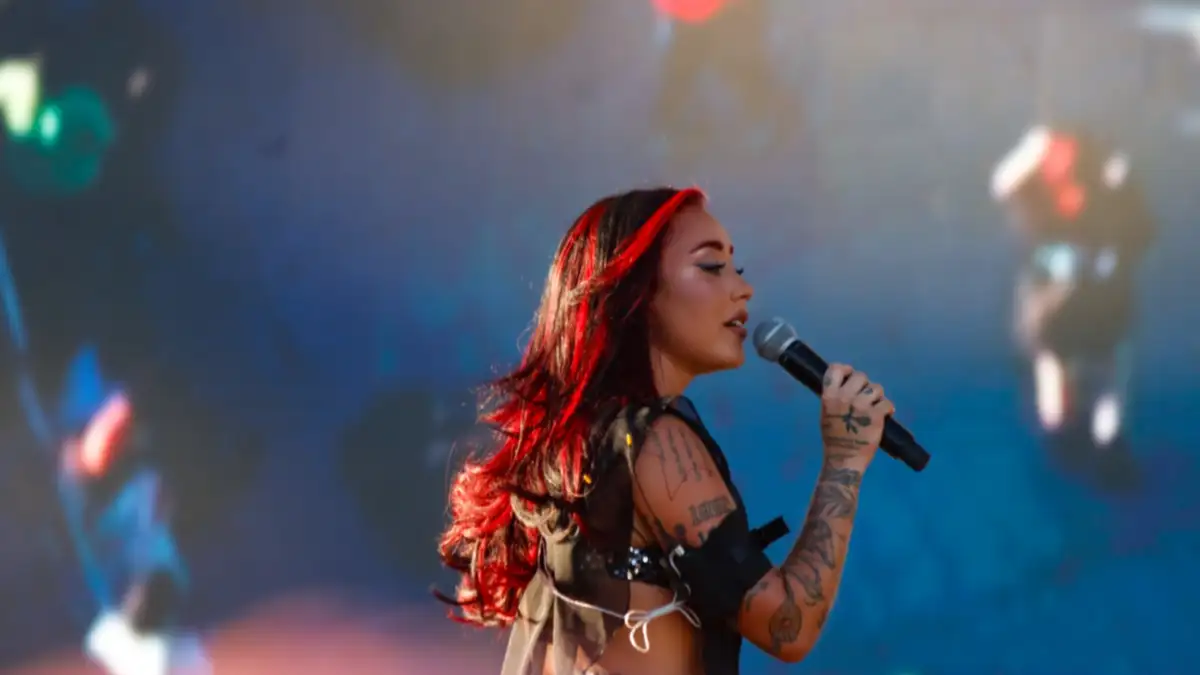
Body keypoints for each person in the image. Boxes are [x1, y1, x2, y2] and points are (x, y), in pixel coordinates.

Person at [436, 187, 894, 674]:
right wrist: (845, 461)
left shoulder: (581, 439)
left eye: (736, 268)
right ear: (635, 291)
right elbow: (789, 624)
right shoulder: (654, 442)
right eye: (711, 267)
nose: (743, 289)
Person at [991, 124, 1154, 486]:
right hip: (1104, 289)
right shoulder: (1111, 168)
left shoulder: (1042, 162)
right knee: (1111, 367)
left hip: (1050, 294)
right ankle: (1108, 439)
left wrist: (1032, 150)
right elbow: (1142, 230)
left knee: (1052, 357)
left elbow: (1003, 186)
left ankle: (1061, 427)